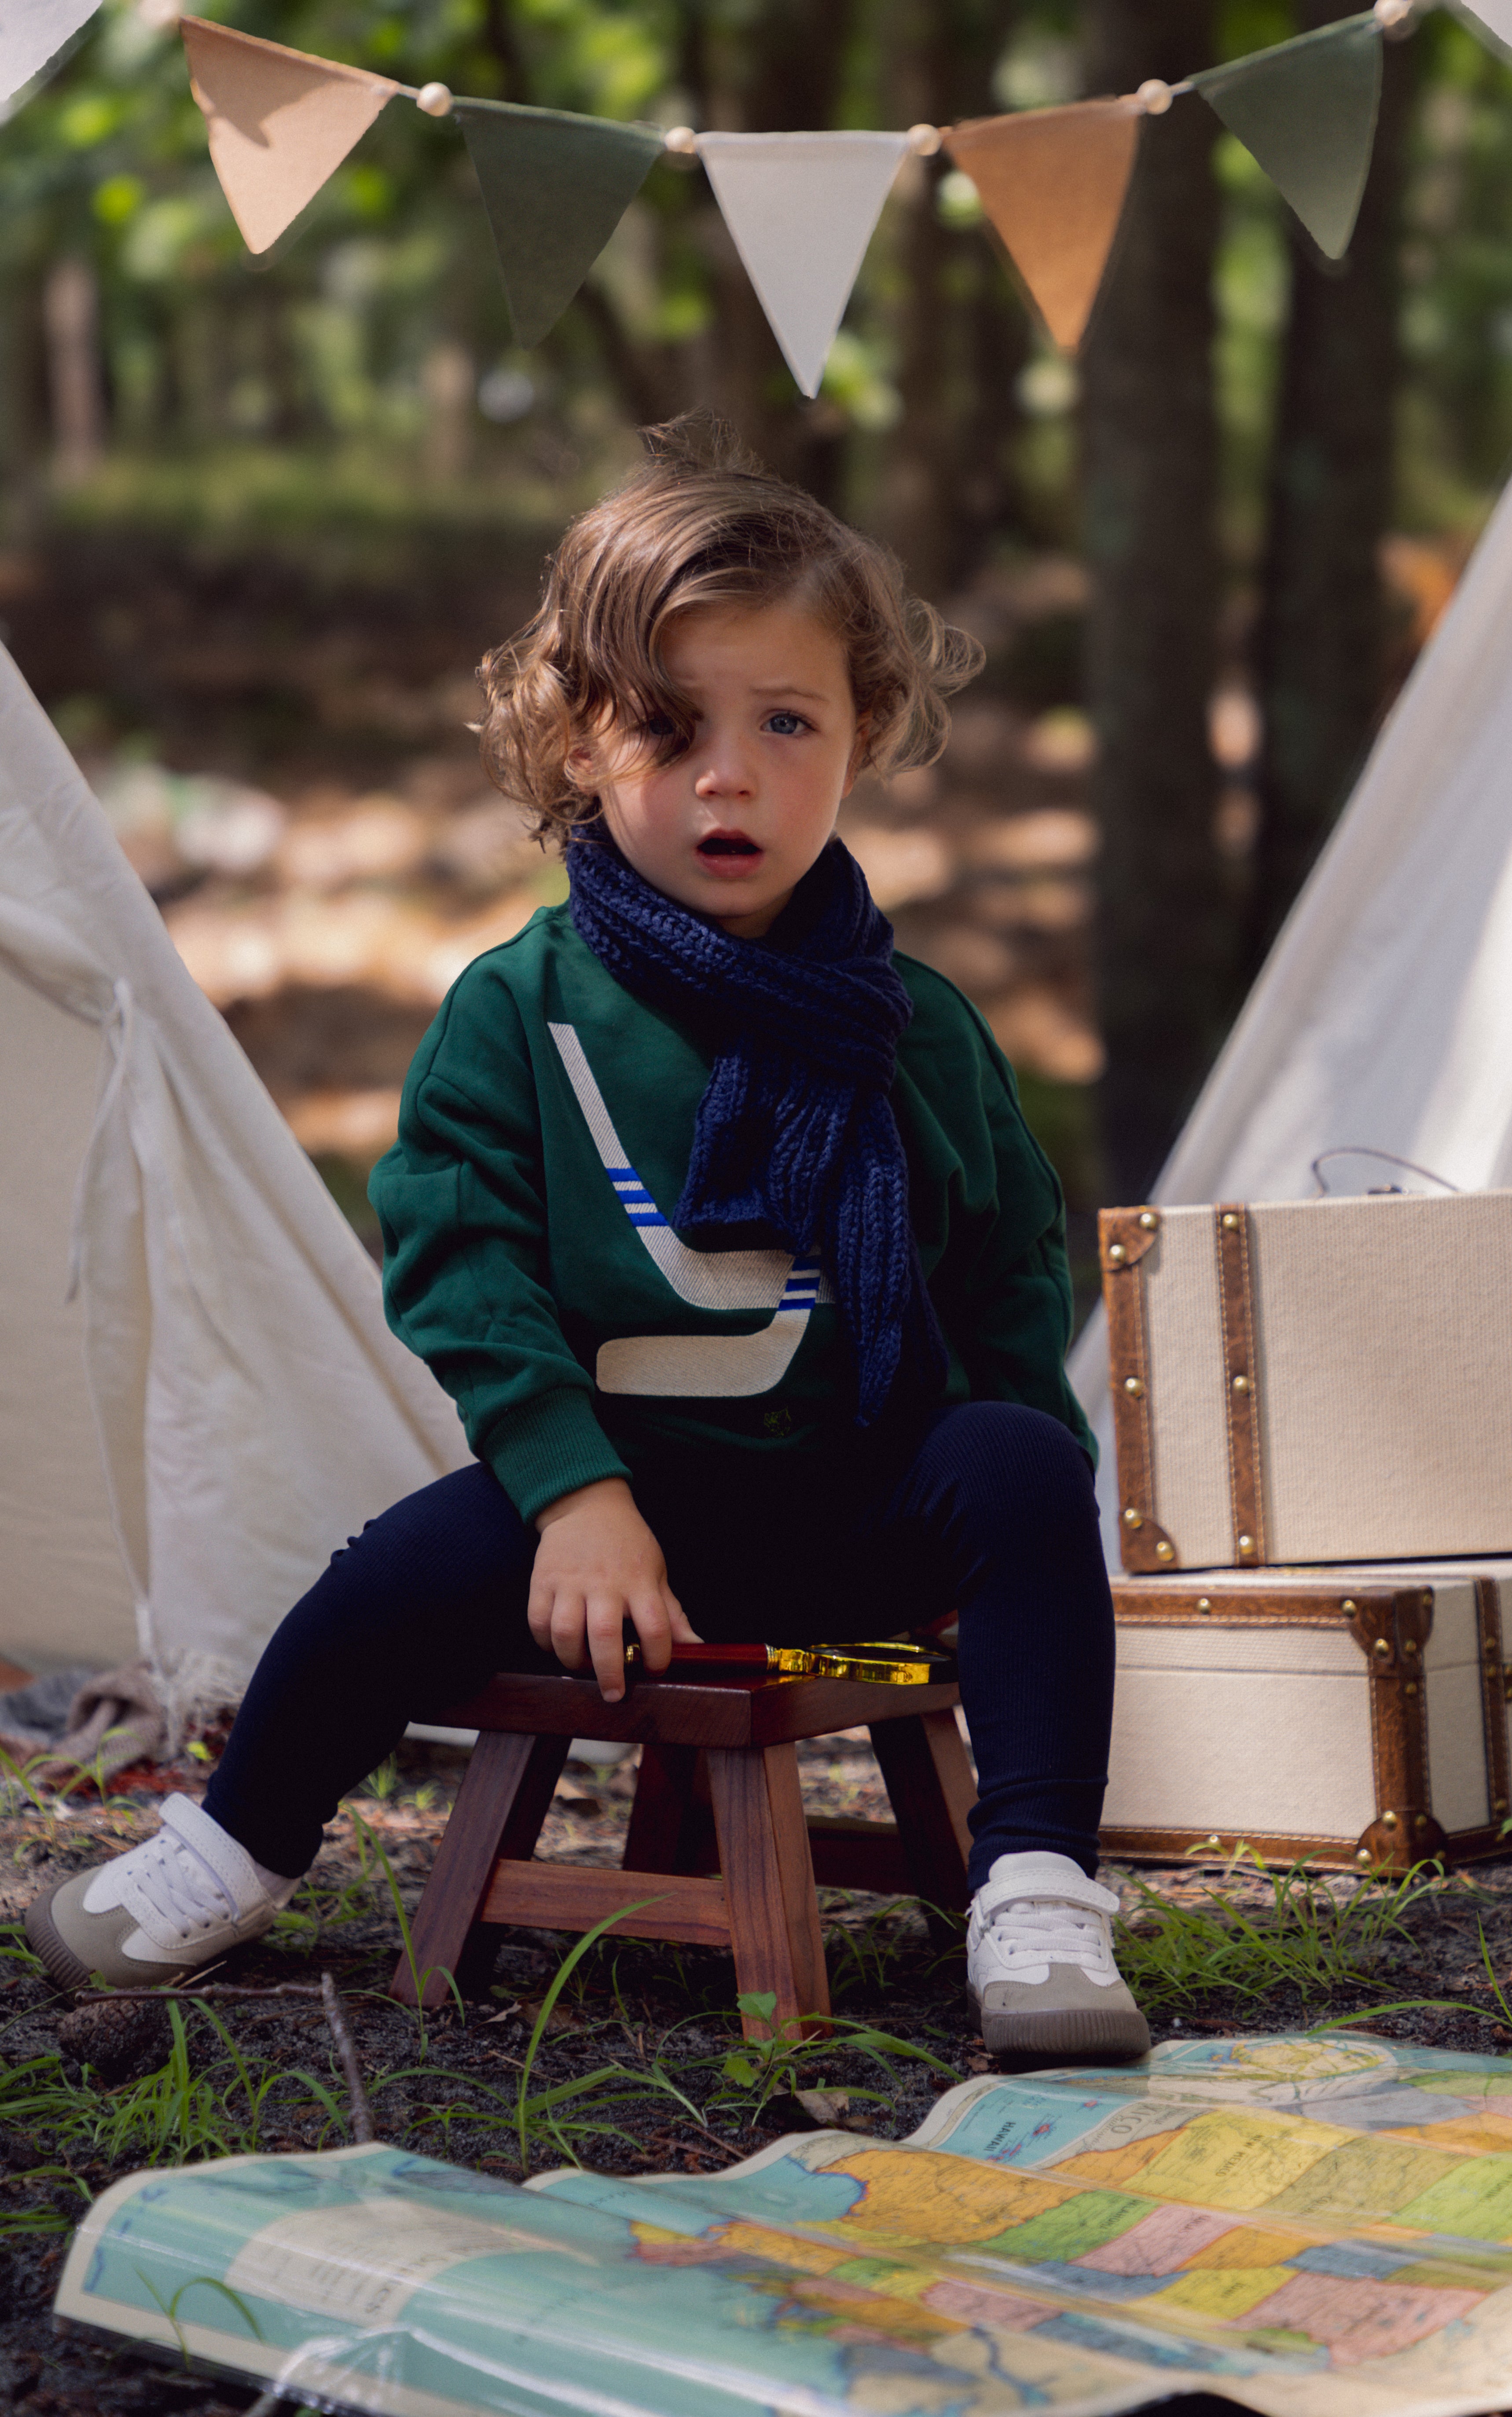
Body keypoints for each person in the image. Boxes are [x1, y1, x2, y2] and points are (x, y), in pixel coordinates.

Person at [27, 421, 1146, 2063]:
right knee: (387, 1573)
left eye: (787, 722)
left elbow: (1001, 1278)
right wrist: (575, 1492)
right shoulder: (522, 1012)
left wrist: (1007, 1554)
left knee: (1030, 1477)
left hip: (855, 1496)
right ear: (575, 739)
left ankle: (1040, 1888)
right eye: (670, 727)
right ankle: (238, 1840)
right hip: (608, 1529)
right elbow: (460, 1263)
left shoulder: (913, 1029)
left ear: (866, 734)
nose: (730, 775)